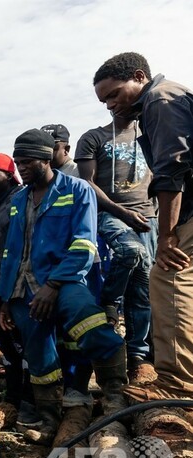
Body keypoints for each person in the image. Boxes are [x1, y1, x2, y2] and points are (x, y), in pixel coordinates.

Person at [0, 128, 126, 444]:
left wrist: (53, 285)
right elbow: (11, 251)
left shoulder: (78, 190)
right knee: (39, 355)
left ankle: (114, 395)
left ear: (44, 159)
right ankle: (50, 421)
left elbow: (84, 243)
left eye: (26, 162)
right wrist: (4, 299)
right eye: (17, 162)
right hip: (23, 288)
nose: (21, 168)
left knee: (92, 325)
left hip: (65, 280)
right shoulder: (18, 200)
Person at [93, 52, 193, 400]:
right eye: (105, 100)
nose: (110, 105)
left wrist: (166, 236)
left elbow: (172, 171)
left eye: (114, 94)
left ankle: (177, 386)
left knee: (167, 280)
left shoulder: (160, 101)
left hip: (182, 218)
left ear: (139, 77)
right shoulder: (160, 99)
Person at [75, 113, 156, 383]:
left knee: (144, 288)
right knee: (130, 252)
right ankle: (110, 300)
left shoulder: (150, 134)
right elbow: (87, 183)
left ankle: (137, 357)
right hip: (111, 214)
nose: (112, 103)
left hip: (149, 217)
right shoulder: (93, 137)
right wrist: (122, 212)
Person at [0, 154, 37, 425]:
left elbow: (18, 250)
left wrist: (8, 293)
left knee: (21, 346)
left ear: (9, 176)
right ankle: (12, 396)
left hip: (12, 290)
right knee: (6, 348)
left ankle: (29, 400)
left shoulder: (19, 200)